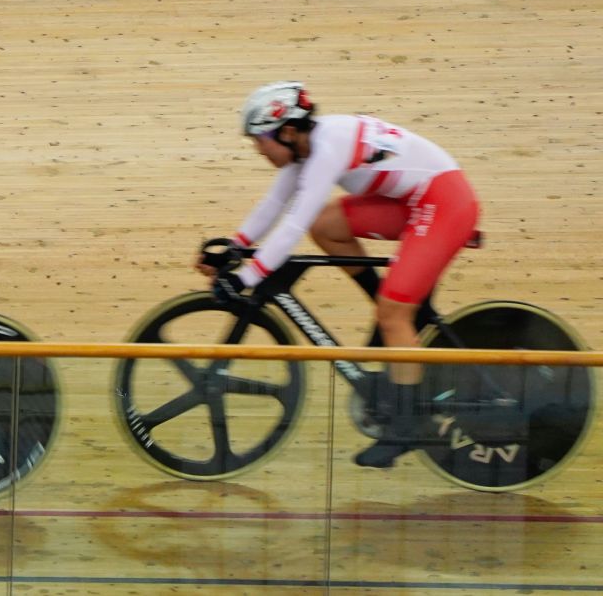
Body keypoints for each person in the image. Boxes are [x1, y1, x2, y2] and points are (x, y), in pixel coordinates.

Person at [201, 81, 480, 468]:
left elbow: (292, 224)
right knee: (328, 225)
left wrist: (246, 278)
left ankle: (406, 427)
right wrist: (236, 245)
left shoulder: (326, 150)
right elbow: (275, 202)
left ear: (287, 131)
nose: (257, 149)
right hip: (415, 201)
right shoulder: (307, 147)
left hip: (444, 202)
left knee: (393, 312)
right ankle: (392, 312)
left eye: (259, 140)